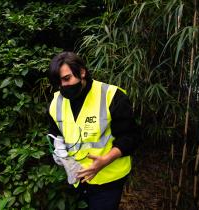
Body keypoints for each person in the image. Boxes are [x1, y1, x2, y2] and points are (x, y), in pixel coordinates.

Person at [47, 51, 140, 210]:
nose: (64, 86)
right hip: (77, 178)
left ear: (82, 72)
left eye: (67, 78)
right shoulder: (56, 101)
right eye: (59, 82)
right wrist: (58, 149)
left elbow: (130, 136)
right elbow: (55, 132)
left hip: (109, 179)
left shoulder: (111, 96)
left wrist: (105, 160)